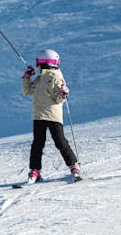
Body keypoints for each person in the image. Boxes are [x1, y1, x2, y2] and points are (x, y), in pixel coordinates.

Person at [23, 49, 81, 183]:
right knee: (37, 143)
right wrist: (26, 78)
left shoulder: (56, 77)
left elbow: (58, 100)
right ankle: (35, 170)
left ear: (44, 63)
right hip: (38, 116)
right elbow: (26, 92)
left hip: (53, 116)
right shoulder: (39, 79)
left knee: (60, 141)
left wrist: (62, 93)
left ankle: (74, 166)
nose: (36, 67)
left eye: (38, 64)